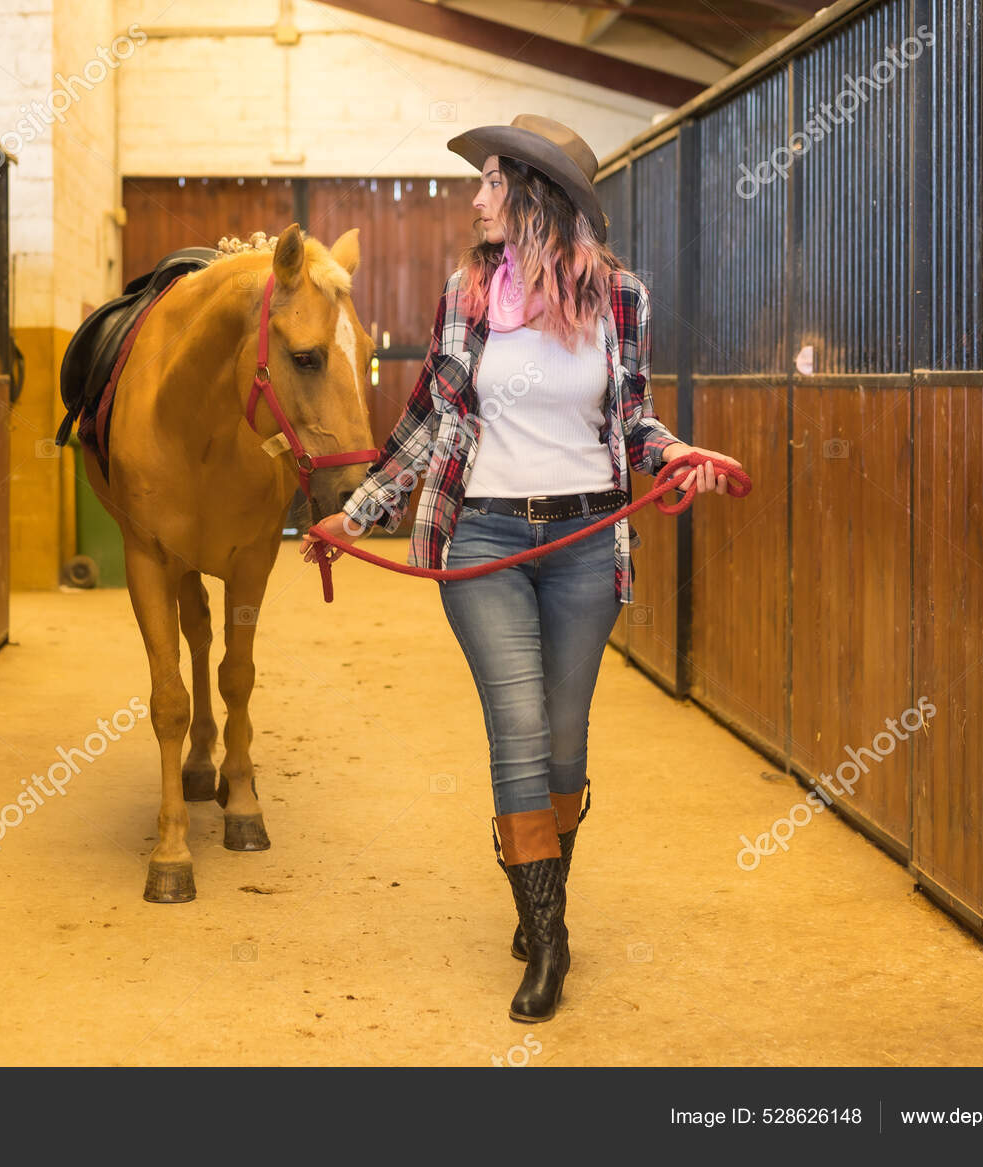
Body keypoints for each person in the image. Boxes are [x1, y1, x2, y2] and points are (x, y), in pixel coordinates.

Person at [301, 115, 742, 1023]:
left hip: (584, 541)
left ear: (539, 195)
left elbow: (633, 420)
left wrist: (676, 456)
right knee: (519, 730)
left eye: (494, 180)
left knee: (567, 743)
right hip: (486, 541)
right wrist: (357, 509)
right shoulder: (466, 295)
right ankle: (548, 939)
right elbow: (428, 420)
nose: (477, 196)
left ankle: (540, 889)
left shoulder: (623, 299)